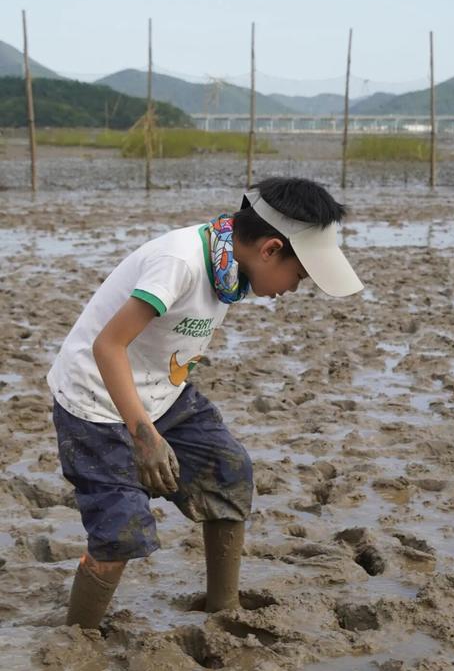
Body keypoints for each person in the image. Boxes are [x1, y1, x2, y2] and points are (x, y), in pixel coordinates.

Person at [47, 177, 363, 629]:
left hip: (164, 394)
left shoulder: (231, 266)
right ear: (271, 249)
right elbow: (108, 346)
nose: (294, 289)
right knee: (120, 530)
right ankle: (78, 637)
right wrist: (145, 437)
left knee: (229, 472)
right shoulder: (180, 263)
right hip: (95, 402)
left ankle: (223, 608)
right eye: (299, 276)